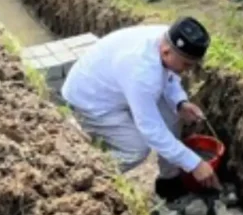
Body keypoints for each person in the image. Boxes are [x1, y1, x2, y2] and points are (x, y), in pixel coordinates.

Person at [61, 18, 220, 200]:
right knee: (136, 150)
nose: (188, 70)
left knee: (172, 115)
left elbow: (168, 75)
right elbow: (151, 130)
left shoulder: (166, 39)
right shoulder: (141, 73)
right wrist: (195, 164)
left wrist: (180, 102)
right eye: (186, 65)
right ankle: (90, 176)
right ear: (166, 51)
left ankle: (169, 181)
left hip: (117, 83)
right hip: (91, 100)